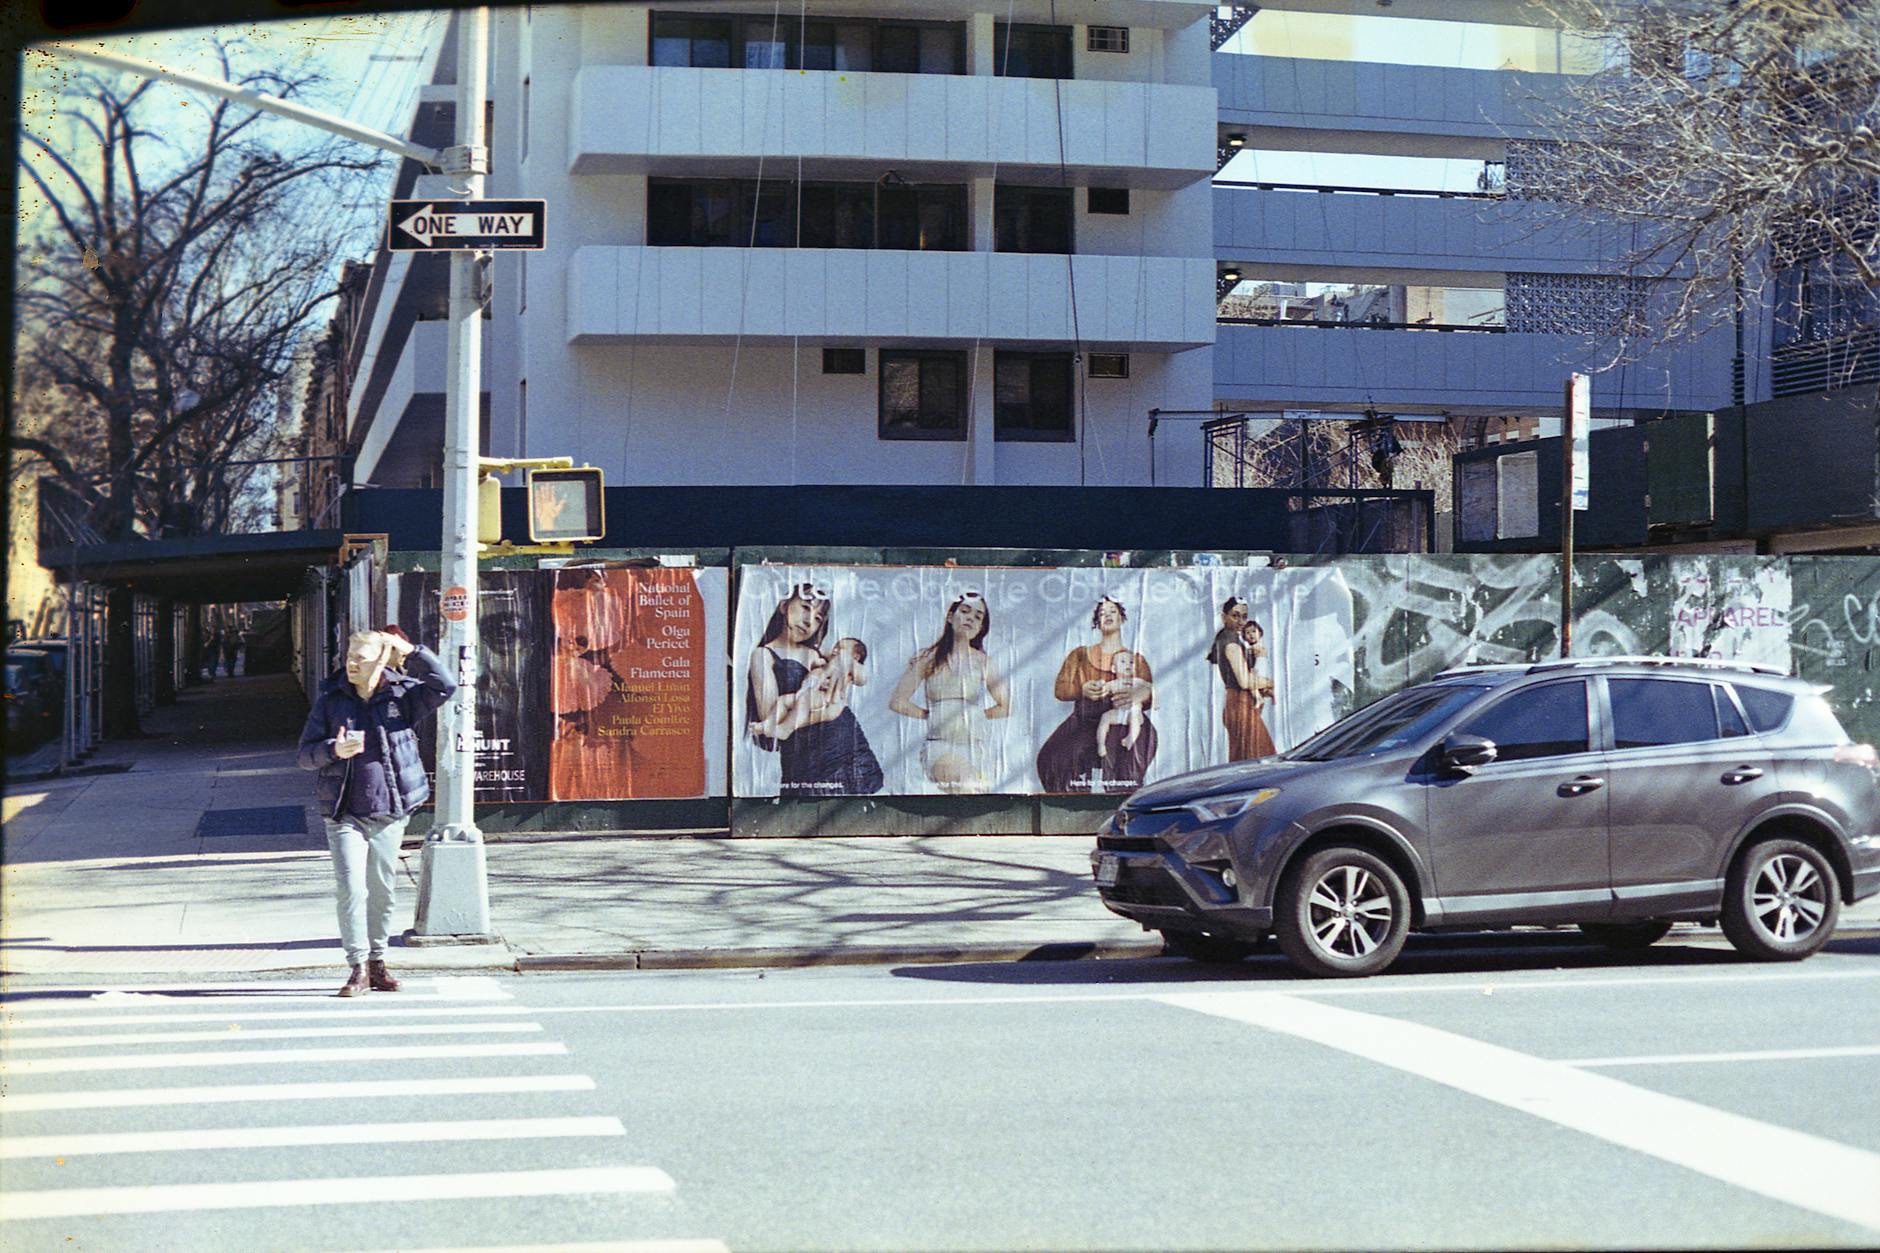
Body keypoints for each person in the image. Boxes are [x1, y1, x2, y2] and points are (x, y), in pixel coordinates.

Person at [297, 624, 456, 997]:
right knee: (351, 889)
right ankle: (357, 968)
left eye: (360, 658)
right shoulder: (331, 700)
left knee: (382, 890)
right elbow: (304, 756)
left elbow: (446, 685)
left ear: (380, 660)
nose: (351, 664)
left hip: (389, 810)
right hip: (344, 813)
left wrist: (414, 651)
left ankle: (378, 963)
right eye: (349, 657)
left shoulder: (402, 696)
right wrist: (333, 751)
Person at [746, 582, 884, 796]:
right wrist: (822, 710)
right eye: (805, 607)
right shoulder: (763, 655)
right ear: (784, 605)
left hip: (848, 746)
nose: (810, 620)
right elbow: (769, 715)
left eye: (818, 618)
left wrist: (844, 659)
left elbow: (863, 677)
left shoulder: (818, 653)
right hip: (807, 759)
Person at [888, 591, 1012, 793]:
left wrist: (975, 715)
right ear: (950, 616)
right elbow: (897, 702)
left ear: (981, 628)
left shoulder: (984, 662)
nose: (970, 618)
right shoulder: (928, 658)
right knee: (967, 785)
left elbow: (1005, 706)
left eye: (978, 617)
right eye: (965, 611)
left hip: (976, 748)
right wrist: (933, 715)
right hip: (941, 748)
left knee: (979, 793)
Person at [1034, 596, 1156, 793]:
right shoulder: (1080, 654)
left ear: (1121, 618)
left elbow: (1149, 692)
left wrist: (1141, 694)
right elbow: (1060, 689)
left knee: (1127, 758)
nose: (1106, 616)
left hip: (1125, 719)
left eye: (1112, 611)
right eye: (1101, 613)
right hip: (1085, 720)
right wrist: (1082, 689)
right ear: (1096, 622)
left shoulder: (1135, 659)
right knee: (1053, 757)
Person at [751, 637, 868, 742]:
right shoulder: (826, 663)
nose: (835, 650)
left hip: (822, 697)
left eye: (841, 648)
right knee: (782, 701)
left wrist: (849, 663)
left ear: (855, 657)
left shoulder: (848, 673)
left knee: (803, 704)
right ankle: (768, 725)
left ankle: (785, 729)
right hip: (805, 692)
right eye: (835, 646)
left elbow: (862, 678)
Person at [1208, 597, 1276, 761]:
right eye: (1235, 615)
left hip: (1239, 704)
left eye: (1244, 617)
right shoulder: (1230, 642)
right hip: (1240, 705)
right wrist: (1270, 682)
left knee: (1247, 759)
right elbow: (1244, 681)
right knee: (1259, 759)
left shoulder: (1229, 638)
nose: (1240, 621)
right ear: (1224, 616)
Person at [1094, 651, 1143, 761]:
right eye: (1123, 662)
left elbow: (1150, 688)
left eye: (1131, 662)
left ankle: (1131, 738)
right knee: (1105, 717)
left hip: (1134, 710)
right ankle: (1101, 744)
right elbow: (1102, 689)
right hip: (1118, 711)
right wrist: (1099, 684)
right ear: (1114, 669)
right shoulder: (1113, 683)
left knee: (1134, 718)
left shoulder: (1138, 681)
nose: (1128, 665)